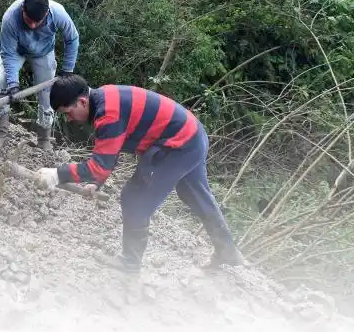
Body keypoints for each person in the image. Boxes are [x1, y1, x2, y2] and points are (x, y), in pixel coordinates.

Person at [36, 74, 246, 272]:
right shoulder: (105, 97)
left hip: (178, 145)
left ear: (82, 102)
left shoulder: (108, 114)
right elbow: (109, 152)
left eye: (68, 113)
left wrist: (56, 175)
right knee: (194, 193)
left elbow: (99, 165)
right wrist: (97, 182)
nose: (70, 119)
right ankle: (228, 251)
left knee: (134, 198)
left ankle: (129, 265)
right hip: (193, 135)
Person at [0, 0, 79, 154]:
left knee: (48, 93)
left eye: (38, 22)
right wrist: (13, 82)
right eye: (29, 21)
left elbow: (72, 38)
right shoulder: (10, 18)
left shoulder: (58, 13)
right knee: (1, 81)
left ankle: (43, 138)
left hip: (43, 52)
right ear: (23, 9)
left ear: (47, 13)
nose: (33, 26)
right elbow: (7, 53)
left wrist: (67, 71)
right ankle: (0, 132)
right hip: (16, 51)